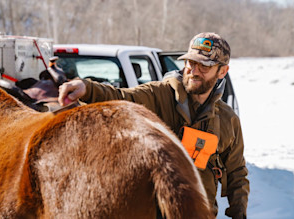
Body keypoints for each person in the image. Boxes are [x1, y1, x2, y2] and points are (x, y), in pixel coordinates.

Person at [58, 32, 250, 218]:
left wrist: (238, 214)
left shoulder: (227, 120)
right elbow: (122, 97)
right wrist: (87, 88)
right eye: (191, 63)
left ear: (222, 71)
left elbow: (237, 173)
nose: (194, 71)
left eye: (204, 66)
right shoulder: (159, 95)